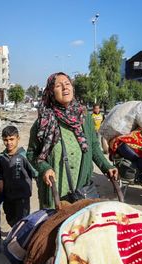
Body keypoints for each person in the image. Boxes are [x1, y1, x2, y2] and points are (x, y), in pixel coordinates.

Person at [27, 72, 118, 209]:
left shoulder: (84, 117)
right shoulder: (43, 122)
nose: (65, 88)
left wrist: (107, 166)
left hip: (82, 190)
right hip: (54, 193)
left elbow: (93, 146)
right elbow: (31, 153)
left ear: (73, 88)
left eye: (67, 84)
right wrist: (45, 168)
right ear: (51, 92)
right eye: (59, 85)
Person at [0, 125, 36, 227]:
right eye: (6, 140)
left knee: (22, 220)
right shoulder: (0, 157)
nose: (9, 142)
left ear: (18, 138)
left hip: (22, 195)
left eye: (11, 139)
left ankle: (20, 239)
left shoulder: (24, 156)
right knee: (9, 217)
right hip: (8, 195)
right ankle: (15, 232)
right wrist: (0, 180)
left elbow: (34, 171)